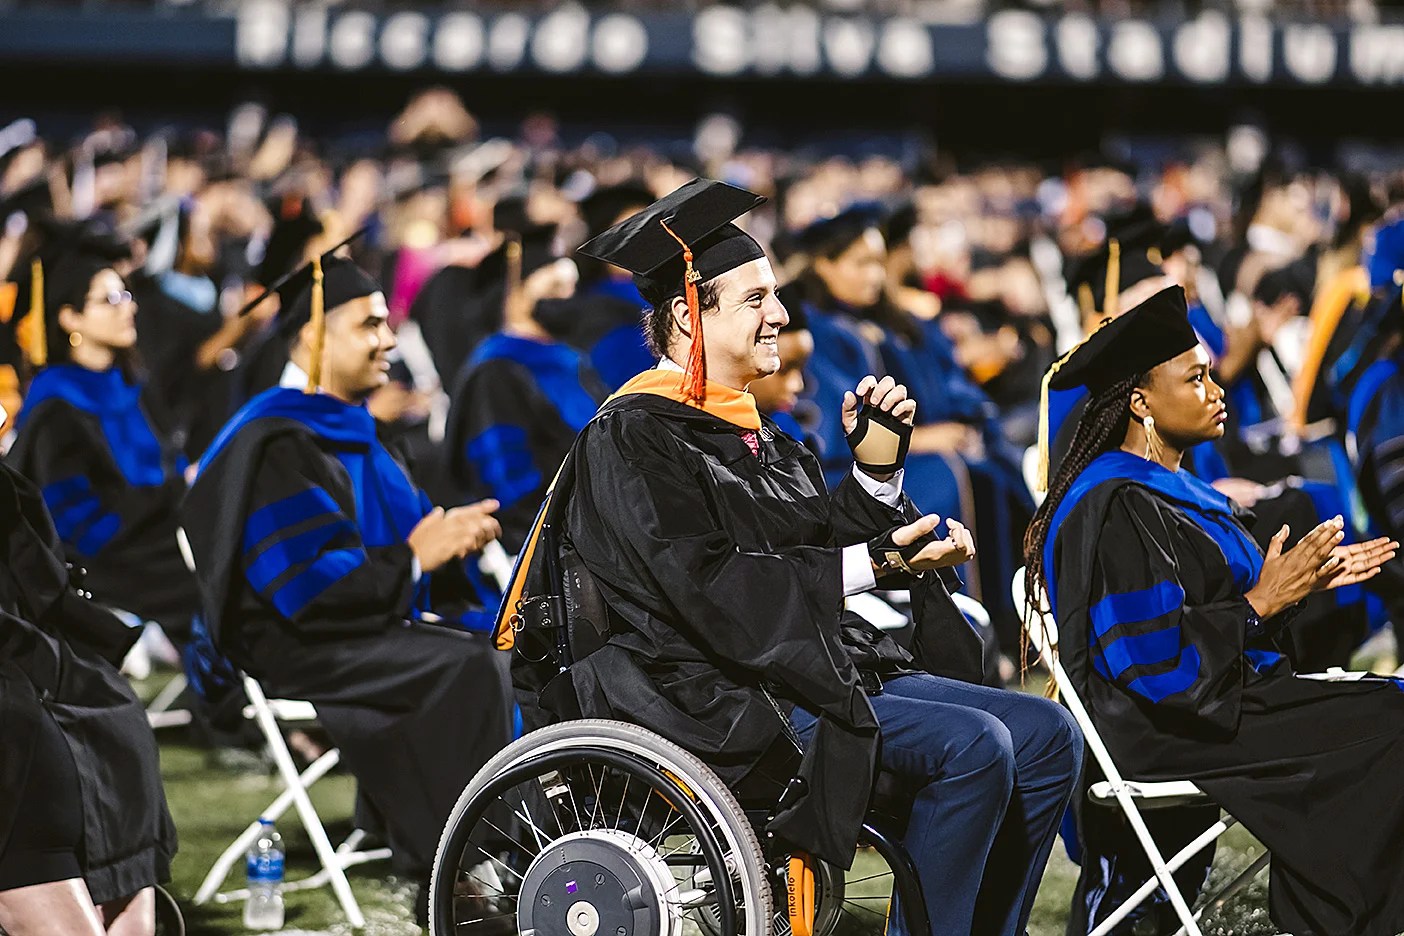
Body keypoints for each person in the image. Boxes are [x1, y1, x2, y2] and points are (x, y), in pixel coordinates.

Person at [502, 179, 1083, 936]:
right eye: (755, 300)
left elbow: (809, 536)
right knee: (976, 746)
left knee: (1048, 736)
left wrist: (876, 477)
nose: (779, 313)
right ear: (688, 314)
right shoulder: (635, 436)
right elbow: (709, 584)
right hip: (708, 700)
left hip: (794, 671)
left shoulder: (759, 435)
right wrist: (873, 563)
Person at [1024, 283, 1404, 936]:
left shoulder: (1166, 489)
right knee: (1389, 721)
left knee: (1387, 705)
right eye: (1195, 377)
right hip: (1156, 728)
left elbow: (1210, 619)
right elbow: (1152, 664)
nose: (1215, 388)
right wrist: (1262, 602)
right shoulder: (1116, 504)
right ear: (1140, 400)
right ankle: (1338, 916)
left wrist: (1297, 587)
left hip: (1208, 704)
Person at [182, 251, 512, 894]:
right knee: (469, 666)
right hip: (295, 640)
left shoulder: (352, 429)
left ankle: (470, 836)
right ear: (313, 334)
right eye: (368, 324)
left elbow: (402, 542)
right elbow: (310, 589)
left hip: (357, 621)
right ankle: (458, 866)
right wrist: (419, 555)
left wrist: (452, 539)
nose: (390, 338)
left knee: (504, 638)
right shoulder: (276, 439)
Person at [0, 430, 175, 936]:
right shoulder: (60, 410)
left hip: (28, 661)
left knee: (114, 717)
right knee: (26, 740)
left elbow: (41, 588)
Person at [6, 247, 201, 641]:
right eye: (109, 300)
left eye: (126, 295)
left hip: (160, 537)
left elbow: (171, 463)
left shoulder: (132, 382)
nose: (127, 308)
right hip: (108, 564)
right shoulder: (56, 407)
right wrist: (171, 503)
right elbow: (76, 524)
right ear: (70, 317)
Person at [441, 223, 607, 554]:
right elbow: (507, 491)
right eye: (554, 287)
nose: (567, 298)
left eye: (569, 288)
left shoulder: (573, 362)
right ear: (513, 295)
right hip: (547, 550)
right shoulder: (496, 374)